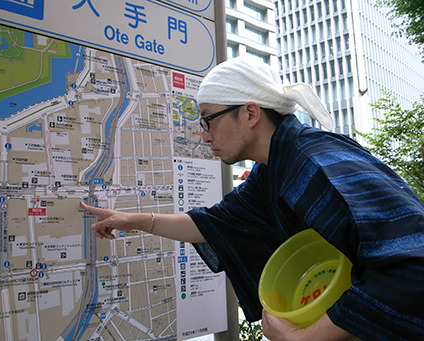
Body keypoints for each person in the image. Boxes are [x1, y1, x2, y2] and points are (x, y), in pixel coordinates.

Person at [80, 56, 424, 340]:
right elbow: (216, 223)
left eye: (208, 120)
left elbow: (413, 269)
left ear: (249, 113)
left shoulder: (315, 164)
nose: (204, 135)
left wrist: (304, 338)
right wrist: (136, 221)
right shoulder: (274, 169)